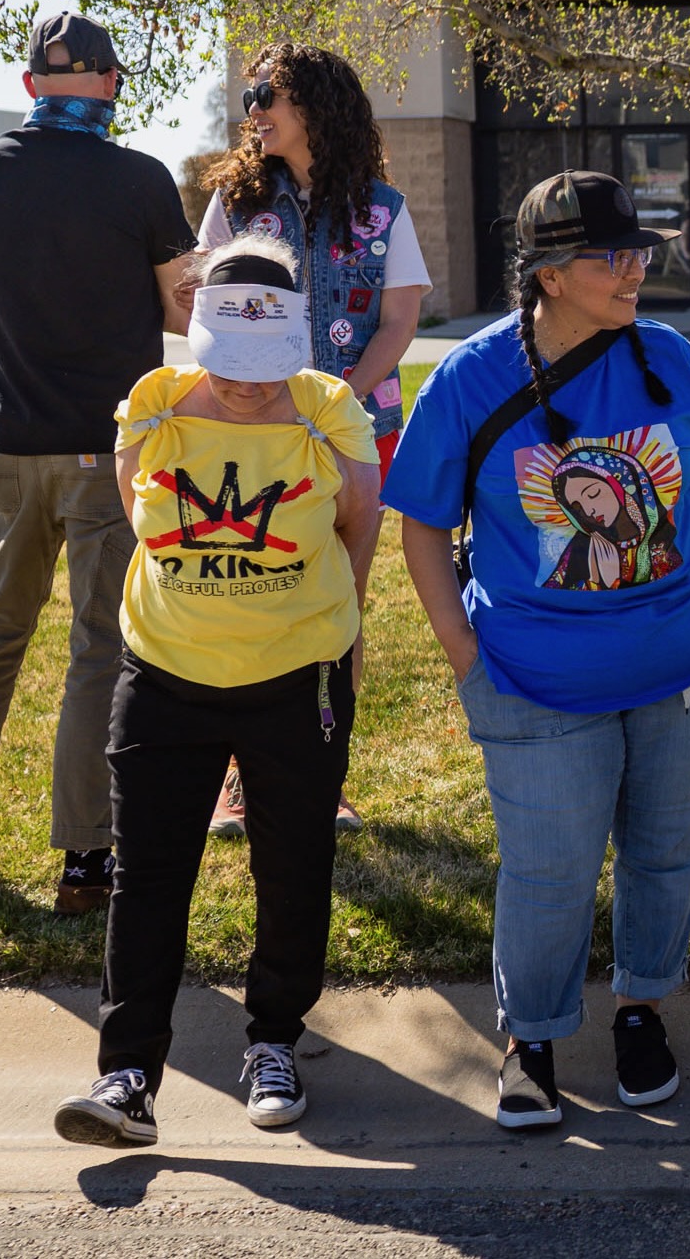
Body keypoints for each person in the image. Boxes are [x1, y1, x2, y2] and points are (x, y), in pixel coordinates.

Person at [384, 172, 690, 1130]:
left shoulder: (666, 355)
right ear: (552, 274)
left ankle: (640, 1006)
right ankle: (533, 1034)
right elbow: (424, 527)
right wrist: (465, 656)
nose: (638, 270)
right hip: (533, 679)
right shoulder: (471, 377)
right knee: (549, 870)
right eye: (616, 258)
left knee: (666, 854)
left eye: (643, 253)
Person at [52, 236, 381, 1147]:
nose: (247, 387)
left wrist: (334, 638)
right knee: (149, 877)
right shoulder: (151, 408)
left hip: (294, 681)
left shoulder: (330, 412)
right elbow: (142, 522)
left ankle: (274, 1040)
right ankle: (126, 1078)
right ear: (196, 333)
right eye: (230, 368)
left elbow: (359, 524)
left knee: (293, 867)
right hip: (165, 675)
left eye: (267, 371)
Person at [0, 13, 197, 915]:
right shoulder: (139, 179)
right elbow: (187, 314)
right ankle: (85, 859)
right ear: (108, 83)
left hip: (12, 446)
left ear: (33, 86)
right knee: (99, 652)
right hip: (104, 448)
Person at [197, 42, 429, 840]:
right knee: (248, 604)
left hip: (354, 438)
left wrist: (336, 401)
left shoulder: (383, 208)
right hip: (249, 438)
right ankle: (238, 785)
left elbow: (401, 319)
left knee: (339, 610)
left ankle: (323, 781)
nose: (253, 108)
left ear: (315, 106)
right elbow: (201, 306)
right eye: (250, 93)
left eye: (268, 93)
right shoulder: (233, 203)